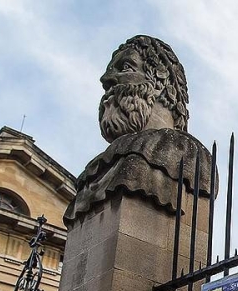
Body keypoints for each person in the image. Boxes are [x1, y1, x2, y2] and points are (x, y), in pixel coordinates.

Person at [64, 35, 216, 224]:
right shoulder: (96, 168)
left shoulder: (185, 153)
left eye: (126, 67)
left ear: (160, 81)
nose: (106, 79)